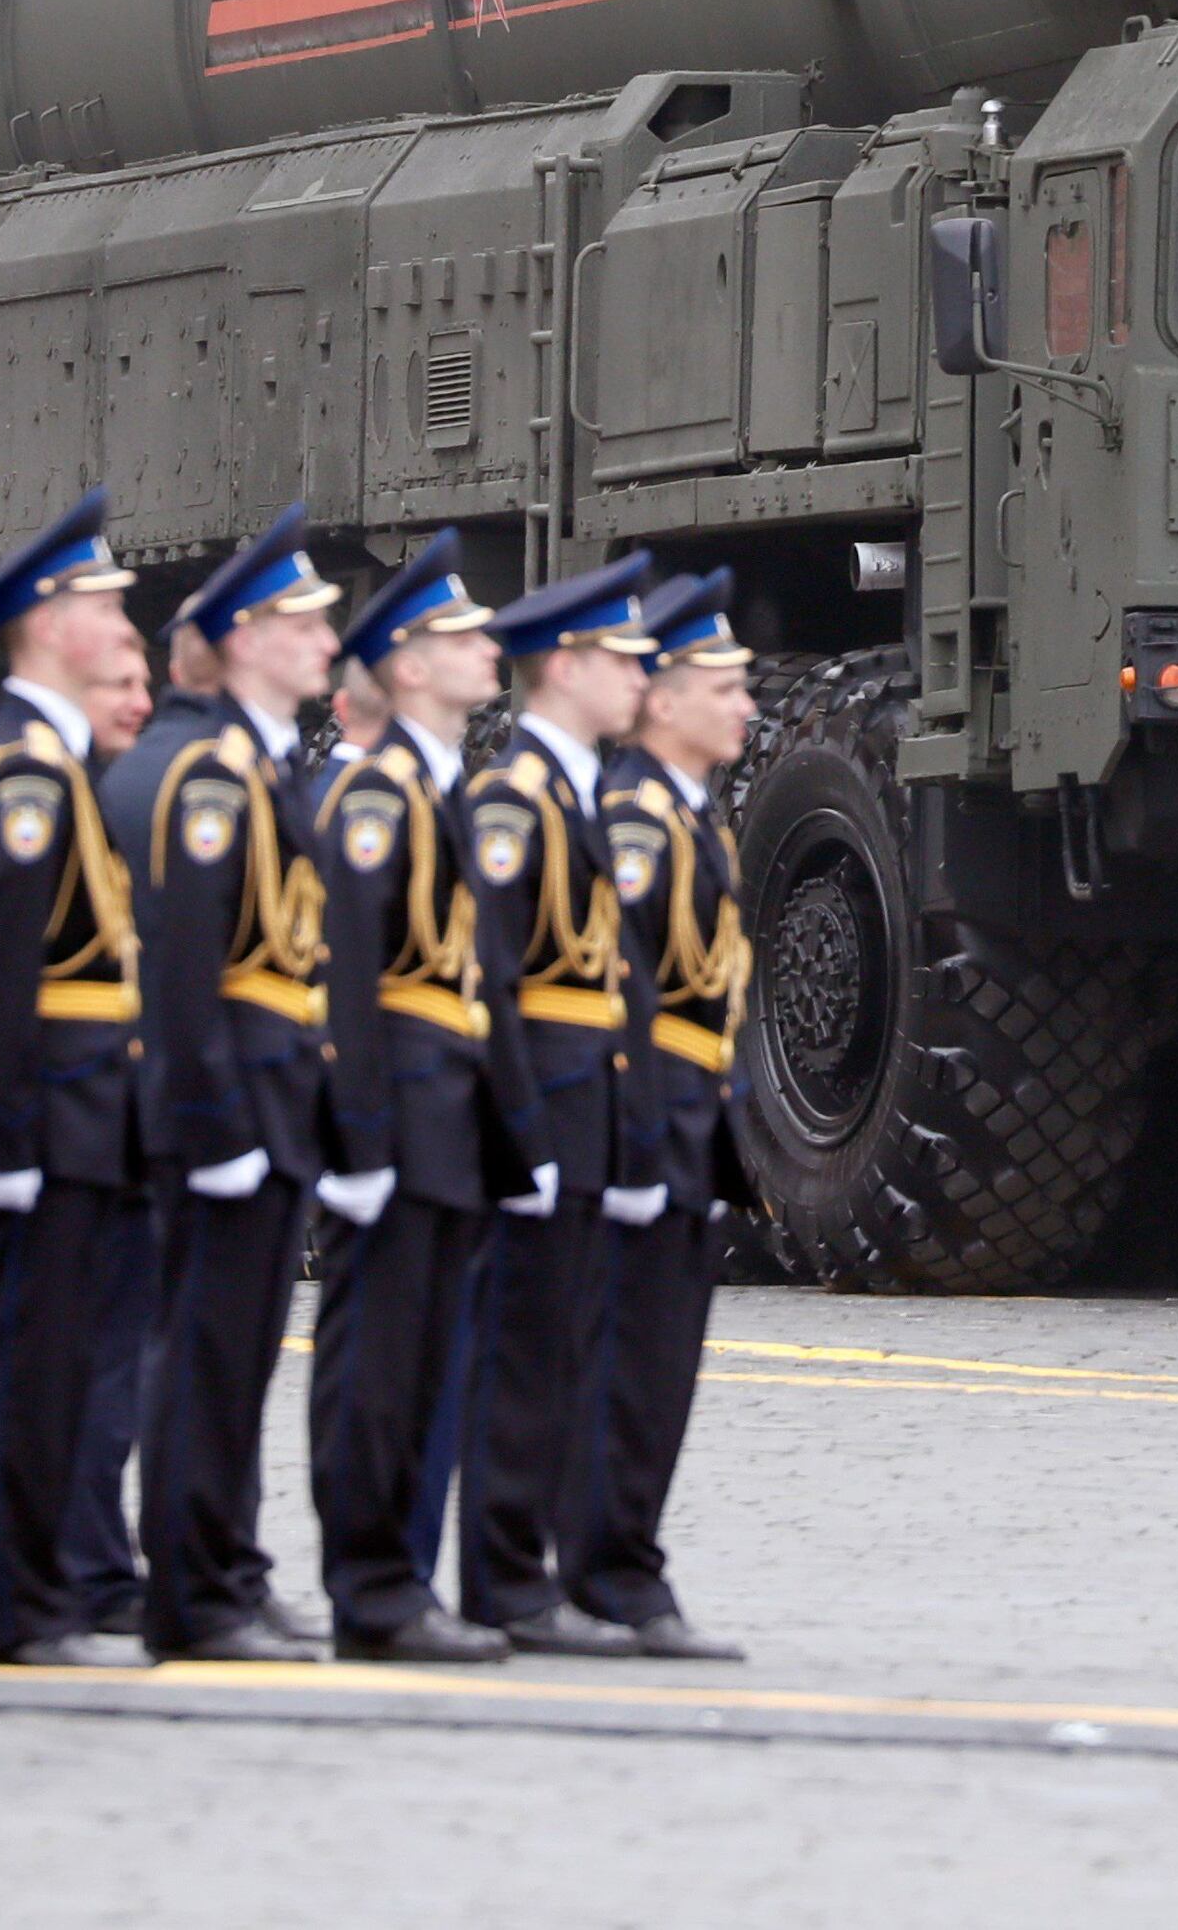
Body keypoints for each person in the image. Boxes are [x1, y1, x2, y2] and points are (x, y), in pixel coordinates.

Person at [109, 511, 347, 1664]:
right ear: (246, 635)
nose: (325, 638)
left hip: (269, 1097)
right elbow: (187, 968)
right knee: (203, 1356)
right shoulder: (209, 770)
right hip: (229, 1111)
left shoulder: (254, 761)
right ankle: (193, 1593)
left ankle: (230, 1569)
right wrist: (214, 1128)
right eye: (302, 620)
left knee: (239, 1357)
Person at [0, 494, 147, 1667]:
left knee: (57, 1362)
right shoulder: (23, 770)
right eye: (103, 603)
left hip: (80, 1116)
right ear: (50, 623)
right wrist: (1, 1143)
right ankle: (12, 1606)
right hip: (47, 1124)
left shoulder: (51, 763)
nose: (119, 618)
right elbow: (2, 976)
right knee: (29, 1366)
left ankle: (37, 1593)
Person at [300, 530, 514, 1664]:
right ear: (410, 665)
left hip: (449, 1117)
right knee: (378, 1360)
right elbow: (347, 978)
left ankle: (399, 1575)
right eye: (461, 632)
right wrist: (359, 1137)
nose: (487, 644)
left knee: (424, 1357)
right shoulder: (376, 799)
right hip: (398, 1117)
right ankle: (370, 1585)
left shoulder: (441, 789)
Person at [452, 551, 664, 1655]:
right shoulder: (513, 803)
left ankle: (531, 1569)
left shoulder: (578, 793)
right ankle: (500, 1580)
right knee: (520, 1356)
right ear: (565, 666)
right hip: (542, 1109)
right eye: (621, 659)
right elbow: (491, 985)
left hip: (591, 1111)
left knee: (564, 1351)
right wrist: (520, 1133)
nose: (640, 678)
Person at [569, 570, 755, 1661]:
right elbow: (617, 993)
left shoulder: (687, 818)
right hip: (647, 1116)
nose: (745, 705)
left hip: (690, 1112)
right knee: (623, 1363)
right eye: (721, 686)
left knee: (658, 1366)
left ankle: (619, 1560)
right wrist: (636, 1137)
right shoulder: (635, 823)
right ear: (661, 701)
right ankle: (608, 1571)